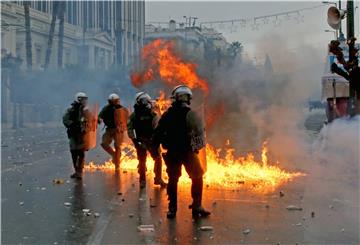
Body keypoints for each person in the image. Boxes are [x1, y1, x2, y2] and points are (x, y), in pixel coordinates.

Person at [154, 85, 211, 219]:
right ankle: (197, 206)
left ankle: (172, 209)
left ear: (174, 99)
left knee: (173, 179)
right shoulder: (191, 114)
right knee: (197, 177)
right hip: (187, 152)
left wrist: (154, 150)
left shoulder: (167, 115)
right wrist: (196, 148)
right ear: (188, 99)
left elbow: (158, 133)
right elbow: (199, 133)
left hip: (173, 152)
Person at [127, 92, 167, 188]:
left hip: (151, 140)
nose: (146, 102)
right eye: (144, 100)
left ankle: (157, 178)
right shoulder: (134, 115)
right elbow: (129, 128)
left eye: (147, 100)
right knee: (142, 161)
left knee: (157, 158)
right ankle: (143, 180)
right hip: (141, 140)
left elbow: (157, 125)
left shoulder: (151, 113)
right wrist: (135, 141)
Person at [62, 92, 89, 180]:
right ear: (79, 99)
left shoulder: (85, 110)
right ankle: (77, 170)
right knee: (74, 152)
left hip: (82, 134)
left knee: (81, 153)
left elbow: (92, 119)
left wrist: (97, 120)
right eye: (83, 99)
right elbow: (65, 119)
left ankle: (79, 172)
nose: (85, 101)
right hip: (73, 133)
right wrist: (73, 125)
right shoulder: (71, 110)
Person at [98, 93, 128, 170]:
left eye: (115, 101)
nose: (113, 102)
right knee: (104, 143)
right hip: (109, 129)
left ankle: (117, 165)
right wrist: (99, 120)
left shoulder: (122, 109)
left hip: (118, 129)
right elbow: (100, 116)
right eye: (112, 101)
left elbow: (127, 118)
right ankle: (115, 155)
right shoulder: (106, 109)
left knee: (117, 146)